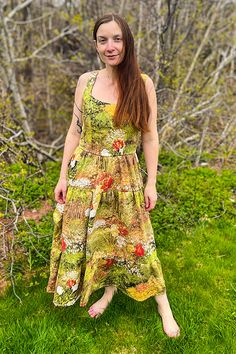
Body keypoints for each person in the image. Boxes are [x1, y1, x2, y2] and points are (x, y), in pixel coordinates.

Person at [46, 13, 180, 338]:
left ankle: (163, 304)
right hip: (86, 173)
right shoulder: (86, 82)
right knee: (96, 239)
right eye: (103, 40)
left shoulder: (141, 84)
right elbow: (74, 132)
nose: (110, 46)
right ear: (96, 45)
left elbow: (149, 137)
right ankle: (107, 292)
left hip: (124, 174)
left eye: (117, 39)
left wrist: (151, 182)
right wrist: (63, 176)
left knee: (136, 240)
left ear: (127, 42)